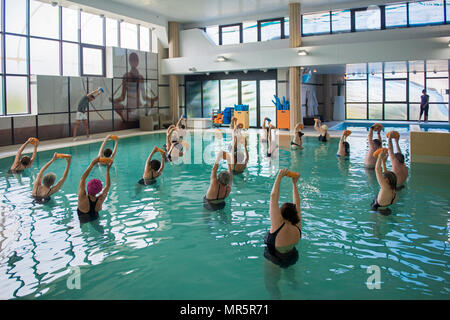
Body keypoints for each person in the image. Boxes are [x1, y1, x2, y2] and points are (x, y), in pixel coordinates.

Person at [264, 168, 301, 269]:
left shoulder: (278, 225)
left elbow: (273, 196)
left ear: (281, 214)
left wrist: (279, 176)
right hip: (293, 256)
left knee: (272, 284)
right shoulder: (298, 226)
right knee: (292, 281)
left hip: (275, 258)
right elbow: (297, 203)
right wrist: (294, 184)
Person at [110, 52, 158, 122]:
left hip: (138, 110)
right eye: (132, 60)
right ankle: (125, 118)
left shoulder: (140, 77)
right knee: (116, 105)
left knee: (149, 104)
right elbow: (122, 97)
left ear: (137, 62)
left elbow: (144, 97)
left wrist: (153, 99)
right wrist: (114, 101)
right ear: (129, 62)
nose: (134, 62)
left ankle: (128, 118)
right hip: (129, 110)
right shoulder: (126, 76)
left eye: (135, 60)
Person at [77, 157, 111, 223]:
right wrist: (107, 170)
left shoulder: (82, 197)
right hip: (95, 217)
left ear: (88, 187)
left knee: (82, 226)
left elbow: (82, 178)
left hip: (82, 217)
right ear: (99, 190)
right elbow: (107, 186)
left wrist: (92, 164)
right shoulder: (100, 199)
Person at [371, 149, 397, 216]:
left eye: (383, 177)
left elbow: (377, 170)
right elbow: (386, 174)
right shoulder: (393, 188)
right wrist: (383, 161)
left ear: (387, 180)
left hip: (378, 211)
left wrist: (380, 157)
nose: (381, 178)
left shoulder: (385, 188)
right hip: (386, 209)